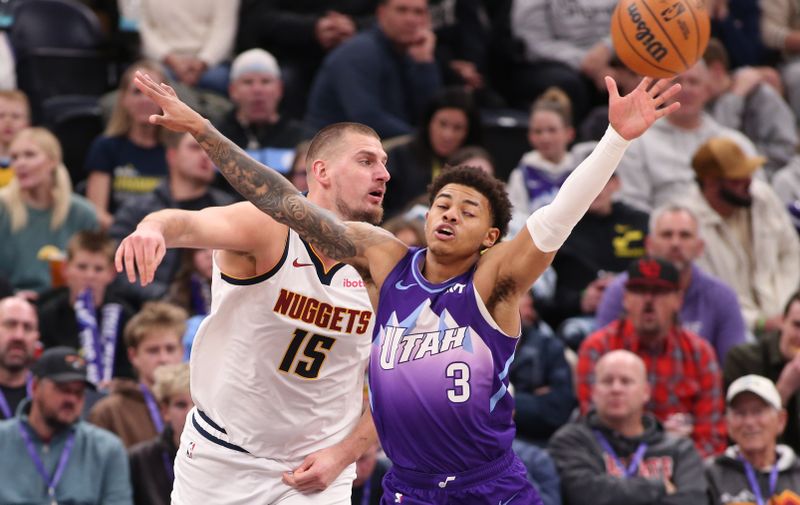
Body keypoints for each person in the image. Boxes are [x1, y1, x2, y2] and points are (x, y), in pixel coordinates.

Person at [128, 64, 681, 501]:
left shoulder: (494, 283)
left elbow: (557, 217)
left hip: (460, 480)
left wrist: (614, 139)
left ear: (491, 237)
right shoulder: (383, 260)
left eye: (467, 210)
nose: (448, 214)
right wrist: (198, 140)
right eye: (442, 203)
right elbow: (275, 200)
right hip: (311, 469)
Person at [116, 123, 390, 501]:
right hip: (224, 457)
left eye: (384, 163)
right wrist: (152, 229)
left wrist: (344, 454)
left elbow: (407, 384)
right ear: (322, 171)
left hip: (315, 468)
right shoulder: (267, 229)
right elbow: (188, 222)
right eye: (366, 161)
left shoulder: (385, 263)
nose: (383, 173)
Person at [577, 257, 727, 458]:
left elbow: (712, 438)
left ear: (678, 300)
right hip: (615, 463)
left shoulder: (700, 353)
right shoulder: (597, 348)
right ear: (625, 298)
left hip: (683, 467)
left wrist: (681, 469)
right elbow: (593, 427)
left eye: (659, 292)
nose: (648, 301)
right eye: (639, 291)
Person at [549, 350, 707, 505]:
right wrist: (658, 487)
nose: (616, 389)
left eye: (626, 381)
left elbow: (693, 500)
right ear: (594, 392)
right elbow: (584, 494)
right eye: (607, 381)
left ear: (646, 392)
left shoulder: (679, 449)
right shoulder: (572, 441)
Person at [678, 137, 800, 333]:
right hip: (731, 326)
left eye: (748, 173)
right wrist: (760, 322)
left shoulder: (762, 197)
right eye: (737, 179)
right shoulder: (687, 224)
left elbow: (791, 252)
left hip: (785, 313)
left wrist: (784, 310)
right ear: (711, 183)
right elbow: (710, 292)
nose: (748, 182)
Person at [596, 204, 747, 362]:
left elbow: (732, 368)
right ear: (649, 245)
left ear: (700, 247)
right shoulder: (622, 290)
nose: (675, 243)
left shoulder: (723, 296)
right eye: (667, 235)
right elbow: (601, 358)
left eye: (685, 235)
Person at [109, 130, 234, 304]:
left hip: (216, 309)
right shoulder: (137, 209)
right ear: (172, 156)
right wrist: (163, 296)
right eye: (194, 148)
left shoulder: (229, 208)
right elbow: (114, 267)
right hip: (153, 311)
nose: (206, 156)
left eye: (210, 150)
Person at [615, 61, 757, 212]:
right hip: (667, 231)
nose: (685, 89)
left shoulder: (735, 142)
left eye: (694, 82)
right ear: (661, 89)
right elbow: (633, 205)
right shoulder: (638, 142)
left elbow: (757, 197)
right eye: (676, 82)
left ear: (707, 89)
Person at [0, 346, 132, 505]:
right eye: (62, 389)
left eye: (79, 392)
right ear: (35, 387)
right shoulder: (3, 439)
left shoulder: (106, 449)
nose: (71, 399)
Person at [305, 0, 442, 138]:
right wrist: (423, 141)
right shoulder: (358, 52)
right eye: (401, 10)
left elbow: (429, 115)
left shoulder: (412, 53)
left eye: (419, 12)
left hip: (377, 148)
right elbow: (367, 119)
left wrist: (424, 64)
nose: (411, 19)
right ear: (381, 13)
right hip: (333, 150)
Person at [0, 127, 98, 298]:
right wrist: (11, 297)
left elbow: (94, 269)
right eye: (14, 157)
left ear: (53, 161)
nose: (20, 163)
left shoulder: (83, 214)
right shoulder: (2, 208)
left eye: (29, 155)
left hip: (65, 305)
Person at [37, 230, 136, 385]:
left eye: (98, 269)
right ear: (65, 269)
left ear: (111, 273)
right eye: (82, 267)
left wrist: (118, 384)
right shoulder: (47, 312)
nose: (90, 276)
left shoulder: (124, 316)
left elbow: (131, 368)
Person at [84, 61, 170, 229]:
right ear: (124, 99)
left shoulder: (176, 150)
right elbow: (96, 212)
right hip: (117, 240)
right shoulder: (105, 147)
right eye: (137, 92)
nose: (145, 100)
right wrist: (133, 235)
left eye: (153, 92)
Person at [88, 302, 185, 447]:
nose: (163, 359)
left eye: (170, 349)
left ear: (182, 351)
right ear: (133, 356)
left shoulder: (201, 404)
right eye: (153, 350)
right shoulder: (109, 412)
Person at [213, 48, 312, 185]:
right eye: (248, 82)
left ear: (279, 89)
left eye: (265, 82)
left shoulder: (302, 138)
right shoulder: (216, 136)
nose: (257, 90)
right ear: (233, 90)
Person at [506, 87, 597, 236]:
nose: (545, 138)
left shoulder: (582, 169)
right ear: (529, 135)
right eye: (538, 131)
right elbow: (516, 221)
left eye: (552, 130)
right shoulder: (522, 174)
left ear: (569, 133)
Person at [703, 38, 797, 176]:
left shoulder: (760, 94)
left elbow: (786, 150)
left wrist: (745, 161)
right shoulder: (701, 104)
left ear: (716, 70)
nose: (688, 86)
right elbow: (713, 151)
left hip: (772, 177)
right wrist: (735, 98)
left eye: (695, 77)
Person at [383, 86, 481, 217]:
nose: (448, 135)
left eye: (457, 128)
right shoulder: (398, 157)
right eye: (442, 124)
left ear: (468, 132)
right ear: (429, 123)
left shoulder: (476, 163)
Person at [706, 374, 800, 504]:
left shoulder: (796, 472)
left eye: (758, 411)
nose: (749, 422)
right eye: (740, 413)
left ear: (781, 420)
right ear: (727, 423)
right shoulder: (710, 474)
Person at [724, 292, 800, 450]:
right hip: (757, 465)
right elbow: (738, 435)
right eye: (797, 326)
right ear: (782, 322)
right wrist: (784, 389)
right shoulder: (743, 359)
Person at [509, 288, 575, 445]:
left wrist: (507, 403)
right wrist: (531, 398)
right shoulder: (467, 345)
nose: (528, 301)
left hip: (535, 443)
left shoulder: (549, 347)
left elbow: (558, 410)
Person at [138, 0, 238, 95]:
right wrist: (173, 62)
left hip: (211, 64)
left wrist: (202, 62)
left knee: (217, 80)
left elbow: (223, 30)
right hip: (163, 61)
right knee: (149, 80)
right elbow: (145, 29)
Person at [129, 363, 193, 505]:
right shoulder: (139, 459)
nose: (190, 413)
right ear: (165, 411)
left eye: (197, 404)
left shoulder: (224, 455)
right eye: (181, 405)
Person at [0, 296, 39, 420]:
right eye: (10, 325)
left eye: (27, 328)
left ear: (36, 337)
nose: (19, 336)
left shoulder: (48, 396)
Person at [0, 89, 31, 185]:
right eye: (1, 116)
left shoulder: (34, 161)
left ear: (27, 123)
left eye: (15, 116)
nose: (8, 122)